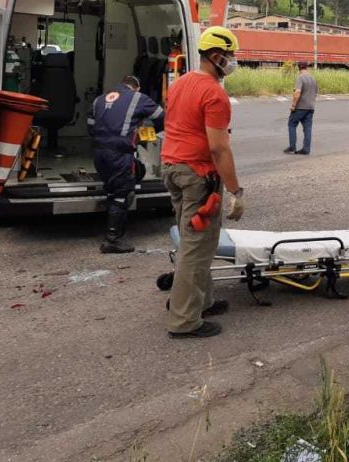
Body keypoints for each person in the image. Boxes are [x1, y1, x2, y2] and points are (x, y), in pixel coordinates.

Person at [161, 26, 246, 339]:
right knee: (196, 250)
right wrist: (236, 190)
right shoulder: (214, 93)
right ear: (216, 56)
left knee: (197, 243)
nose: (233, 61)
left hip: (173, 168)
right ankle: (184, 320)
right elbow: (218, 148)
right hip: (198, 175)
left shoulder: (181, 83)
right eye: (231, 56)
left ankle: (201, 302)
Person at [87, 75, 164, 254]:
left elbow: (90, 125)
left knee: (113, 188)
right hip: (120, 155)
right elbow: (161, 116)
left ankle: (112, 225)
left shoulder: (99, 99)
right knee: (121, 193)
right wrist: (149, 131)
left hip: (99, 153)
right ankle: (112, 240)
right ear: (136, 88)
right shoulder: (139, 98)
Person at [285, 62, 318, 155]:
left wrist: (293, 105)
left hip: (300, 107)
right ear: (306, 67)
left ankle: (292, 148)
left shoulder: (300, 78)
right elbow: (315, 93)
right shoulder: (313, 78)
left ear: (298, 68)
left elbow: (297, 93)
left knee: (291, 124)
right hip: (311, 107)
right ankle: (306, 149)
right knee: (307, 128)